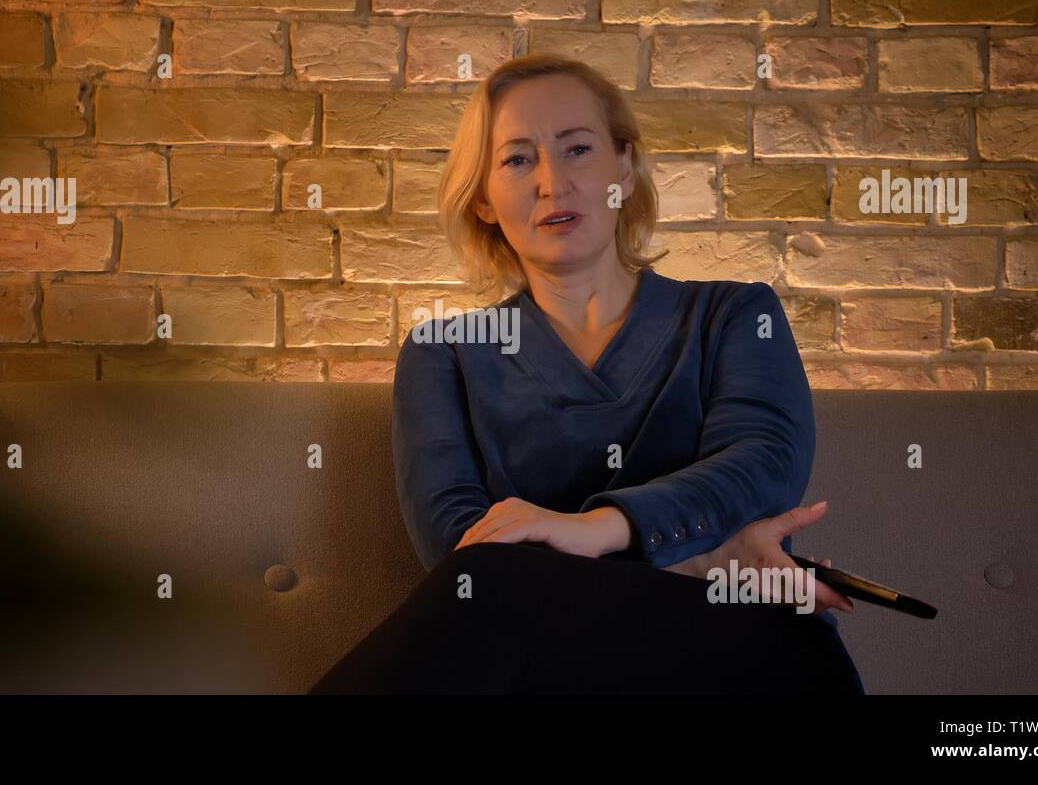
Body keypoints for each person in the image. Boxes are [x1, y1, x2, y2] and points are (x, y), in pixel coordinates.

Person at [309, 54, 865, 695]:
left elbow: (764, 467)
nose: (553, 182)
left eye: (577, 149)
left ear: (624, 169)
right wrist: (704, 555)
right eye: (518, 159)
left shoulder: (734, 313)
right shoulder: (445, 352)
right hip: (549, 666)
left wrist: (598, 529)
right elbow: (460, 555)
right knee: (486, 582)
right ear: (485, 200)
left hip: (740, 648)